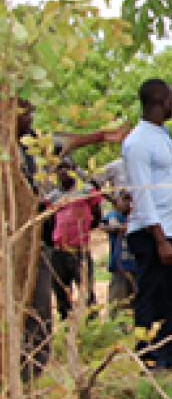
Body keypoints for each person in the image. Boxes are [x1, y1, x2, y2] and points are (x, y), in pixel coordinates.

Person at [17, 97, 128, 379]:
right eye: (25, 115)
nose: (31, 121)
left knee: (40, 308)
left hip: (37, 244)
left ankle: (32, 372)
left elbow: (61, 142)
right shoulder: (10, 152)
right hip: (15, 243)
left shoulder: (32, 146)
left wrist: (102, 136)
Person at [122, 78, 172, 371]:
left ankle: (171, 352)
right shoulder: (137, 142)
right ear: (161, 101)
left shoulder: (161, 136)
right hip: (153, 233)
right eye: (171, 99)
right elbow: (142, 192)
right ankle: (148, 354)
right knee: (150, 295)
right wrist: (159, 238)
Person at [49, 157, 103, 321]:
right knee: (61, 291)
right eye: (59, 168)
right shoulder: (53, 196)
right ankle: (67, 326)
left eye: (67, 167)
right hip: (59, 253)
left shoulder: (86, 191)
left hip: (80, 251)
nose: (63, 172)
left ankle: (91, 328)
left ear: (74, 169)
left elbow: (97, 213)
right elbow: (50, 222)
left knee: (86, 292)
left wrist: (86, 228)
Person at [101, 191, 137, 318]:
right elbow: (106, 226)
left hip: (138, 270)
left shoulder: (138, 217)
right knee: (116, 307)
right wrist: (123, 227)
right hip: (120, 270)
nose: (127, 204)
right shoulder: (113, 215)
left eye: (130, 200)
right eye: (124, 200)